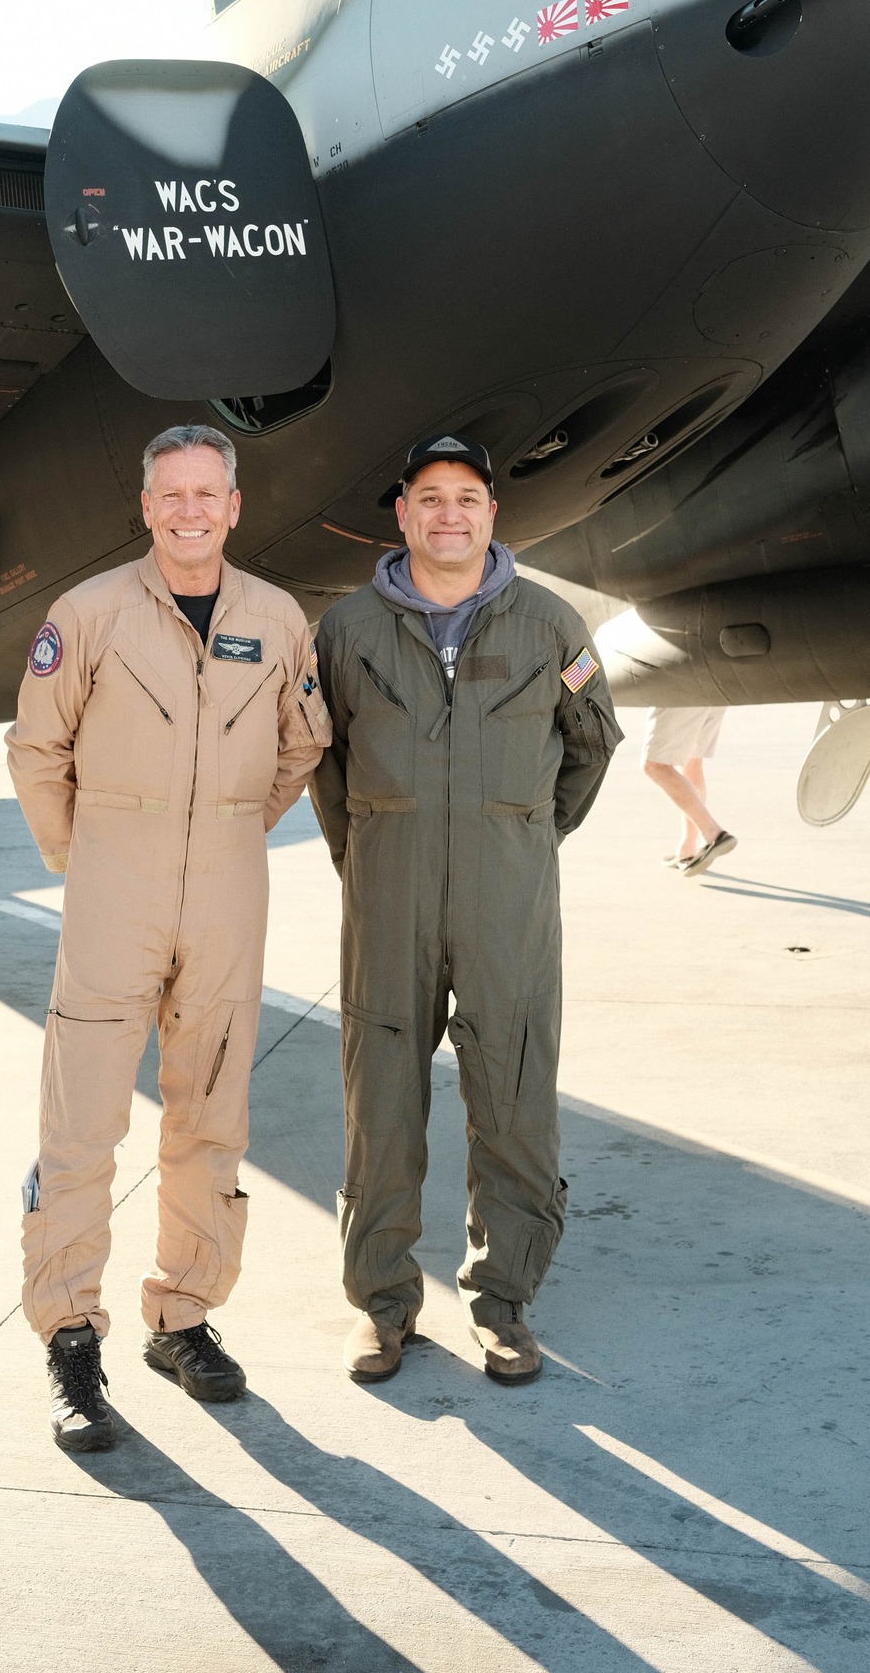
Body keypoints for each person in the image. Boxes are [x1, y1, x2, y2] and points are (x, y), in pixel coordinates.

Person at [6, 423, 330, 1452]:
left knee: (212, 1112)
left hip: (230, 882)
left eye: (208, 493)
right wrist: (85, 853)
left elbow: (303, 741)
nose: (190, 510)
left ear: (235, 506)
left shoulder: (278, 617)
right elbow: (35, 746)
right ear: (147, 507)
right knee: (83, 1120)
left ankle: (183, 1313)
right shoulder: (88, 612)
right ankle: (70, 1335)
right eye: (171, 495)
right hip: (114, 875)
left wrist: (230, 824)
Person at [309, 432, 622, 1388]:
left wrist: (520, 839)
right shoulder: (346, 630)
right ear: (401, 514)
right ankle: (383, 1307)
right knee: (382, 1109)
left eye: (468, 498)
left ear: (493, 514)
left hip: (507, 904)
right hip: (386, 898)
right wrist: (372, 853)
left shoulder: (548, 624)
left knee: (515, 1099)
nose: (449, 514)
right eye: (429, 497)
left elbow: (591, 744)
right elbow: (324, 767)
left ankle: (505, 1303)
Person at [640, 706, 736, 875]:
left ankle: (713, 834)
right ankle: (688, 849)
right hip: (715, 685)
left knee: (654, 765)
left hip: (681, 686)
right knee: (691, 761)